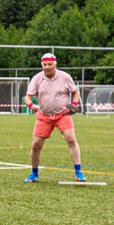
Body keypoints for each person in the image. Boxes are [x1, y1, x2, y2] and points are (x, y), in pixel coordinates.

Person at [23, 53, 85, 183]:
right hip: (44, 116)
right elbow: (27, 98)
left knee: (71, 139)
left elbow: (75, 93)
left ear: (55, 65)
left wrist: (74, 104)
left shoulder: (65, 77)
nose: (47, 67)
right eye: (45, 65)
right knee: (36, 145)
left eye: (50, 64)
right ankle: (34, 174)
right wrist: (32, 105)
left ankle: (78, 172)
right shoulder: (37, 78)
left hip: (63, 114)